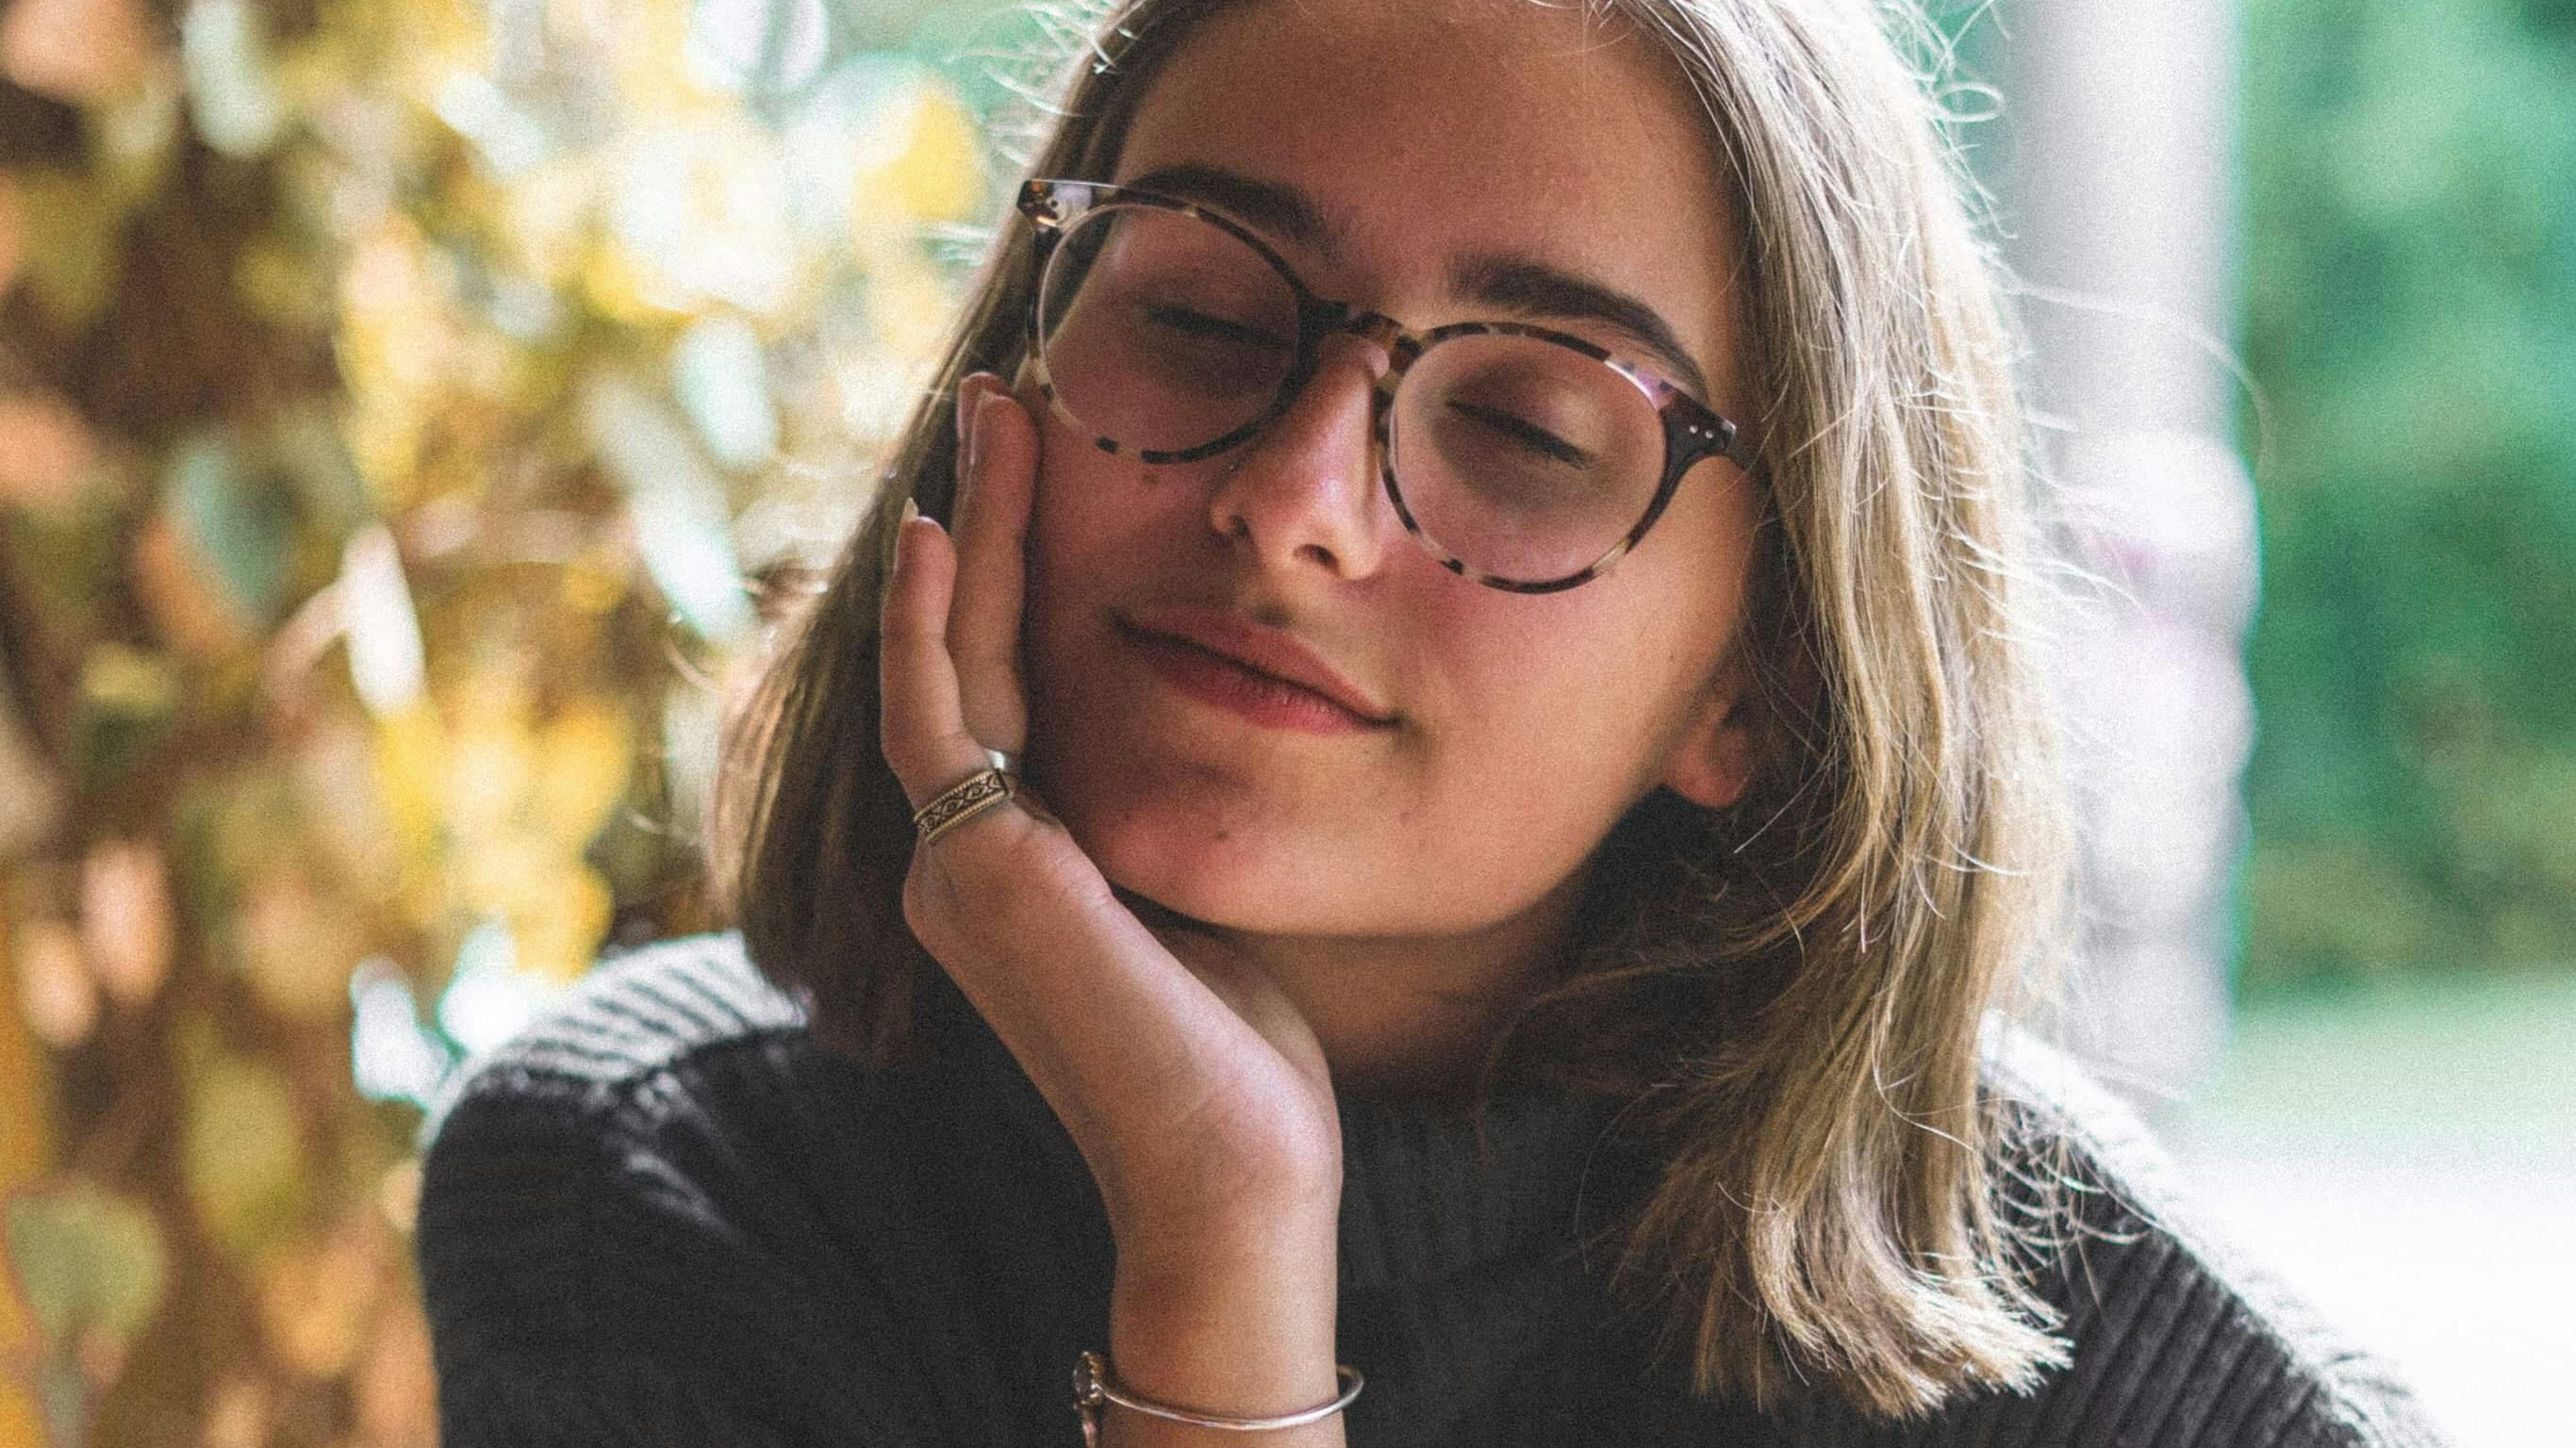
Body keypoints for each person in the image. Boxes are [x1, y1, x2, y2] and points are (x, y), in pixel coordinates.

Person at [412, 1, 2445, 1444]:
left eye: (1529, 428)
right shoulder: (656, 1191)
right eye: (1203, 313)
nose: (1294, 499)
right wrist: (1221, 1246)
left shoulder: (2156, 1406)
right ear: (1003, 377)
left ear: (1761, 680)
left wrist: (1221, 1258)